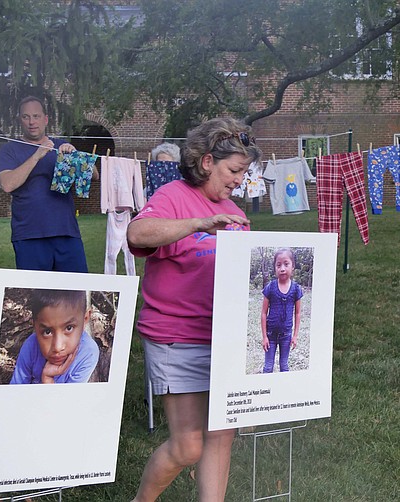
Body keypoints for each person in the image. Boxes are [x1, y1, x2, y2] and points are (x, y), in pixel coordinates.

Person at [127, 117, 260, 502]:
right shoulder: (172, 195)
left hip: (224, 339)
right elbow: (137, 234)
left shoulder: (237, 212)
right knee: (188, 447)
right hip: (177, 338)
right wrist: (199, 224)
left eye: (243, 172)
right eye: (234, 170)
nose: (239, 180)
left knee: (220, 434)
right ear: (206, 162)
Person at [0, 96, 88, 272]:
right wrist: (37, 155)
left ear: (45, 119)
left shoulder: (62, 146)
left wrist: (76, 156)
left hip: (66, 233)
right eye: (26, 117)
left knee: (76, 293)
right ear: (19, 120)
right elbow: (8, 185)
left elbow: (94, 176)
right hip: (29, 235)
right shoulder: (10, 149)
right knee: (35, 296)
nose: (32, 122)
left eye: (36, 116)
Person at [10, 289, 98, 384]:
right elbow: (15, 393)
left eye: (69, 328)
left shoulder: (87, 353)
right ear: (35, 326)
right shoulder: (31, 347)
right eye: (47, 332)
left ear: (85, 319)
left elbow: (70, 398)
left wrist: (48, 379)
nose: (58, 347)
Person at [261, 248, 304, 373]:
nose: (282, 268)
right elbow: (263, 313)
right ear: (275, 268)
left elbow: (297, 313)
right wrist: (264, 337)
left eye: (286, 264)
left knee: (284, 367)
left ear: (293, 267)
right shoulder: (270, 287)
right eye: (278, 265)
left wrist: (295, 336)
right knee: (268, 367)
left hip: (286, 336)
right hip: (270, 335)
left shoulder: (296, 289)